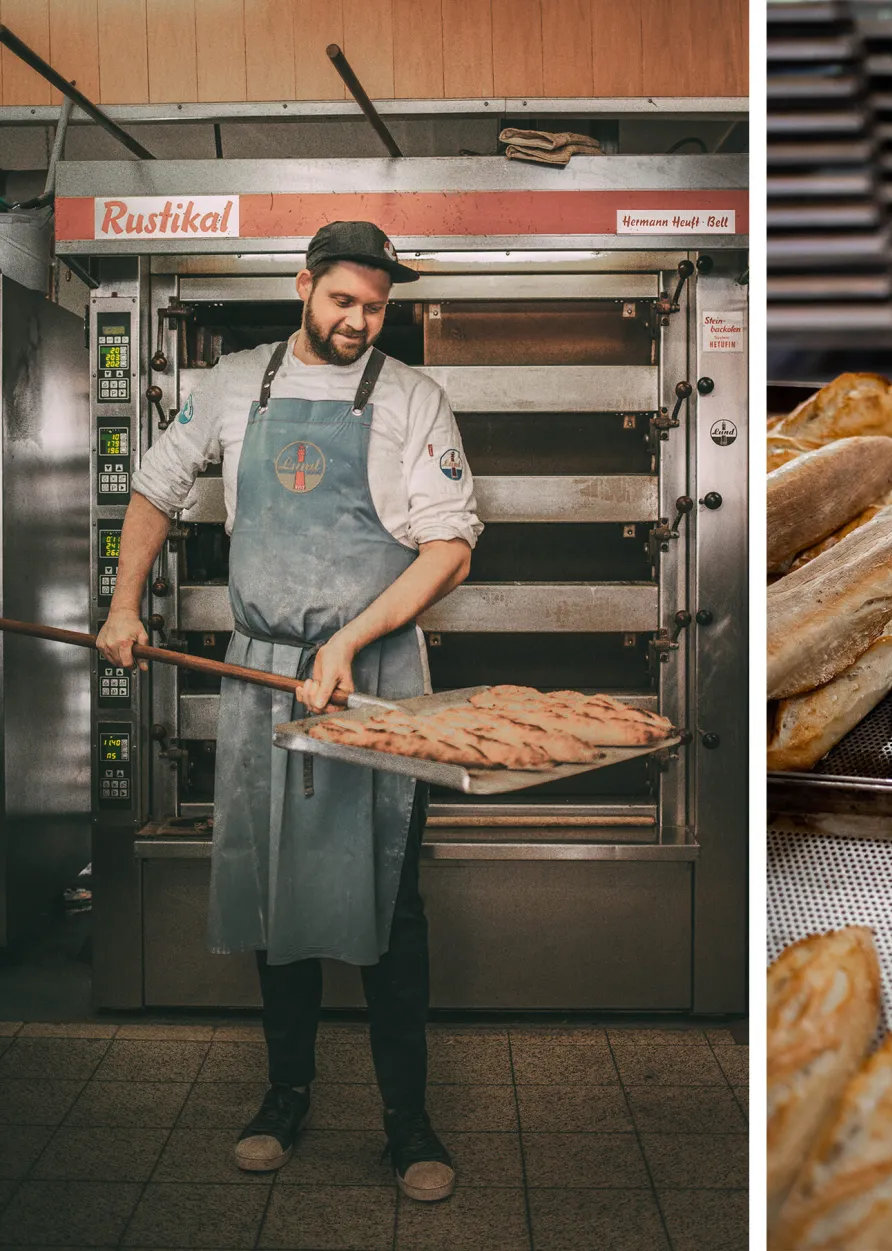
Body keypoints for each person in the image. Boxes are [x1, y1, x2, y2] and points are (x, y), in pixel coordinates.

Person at [95, 222, 481, 1202]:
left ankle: (407, 1120)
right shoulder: (233, 382)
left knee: (390, 898)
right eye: (344, 300)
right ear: (303, 285)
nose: (360, 320)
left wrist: (348, 643)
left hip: (376, 678)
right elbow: (154, 487)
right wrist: (124, 607)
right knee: (278, 893)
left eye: (376, 307)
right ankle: (286, 1093)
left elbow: (450, 547)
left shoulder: (410, 397)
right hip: (262, 674)